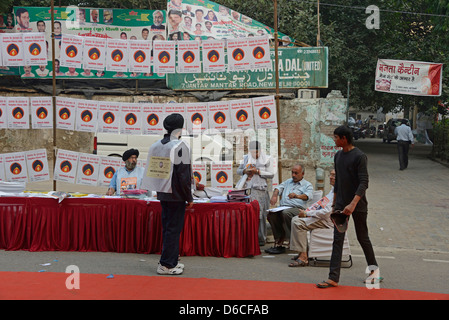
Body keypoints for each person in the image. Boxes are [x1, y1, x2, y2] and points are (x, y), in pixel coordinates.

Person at [316, 125, 379, 289]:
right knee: (338, 239)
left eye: (336, 137)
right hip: (341, 205)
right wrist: (335, 203)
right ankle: (333, 278)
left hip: (357, 205)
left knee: (362, 237)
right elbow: (337, 182)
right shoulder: (337, 156)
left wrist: (353, 203)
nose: (334, 140)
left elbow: (364, 183)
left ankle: (374, 272)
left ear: (344, 138)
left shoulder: (359, 156)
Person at [142, 113, 193, 275]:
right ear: (181, 128)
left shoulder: (156, 145)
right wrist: (189, 197)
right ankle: (166, 265)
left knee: (168, 228)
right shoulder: (180, 146)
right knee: (173, 229)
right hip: (176, 195)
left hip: (163, 193)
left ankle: (170, 260)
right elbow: (184, 176)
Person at [289, 170, 335, 267]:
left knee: (298, 223)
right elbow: (320, 204)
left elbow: (326, 212)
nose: (330, 177)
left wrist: (307, 213)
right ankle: (302, 252)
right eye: (330, 175)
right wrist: (308, 211)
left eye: (334, 175)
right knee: (296, 218)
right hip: (322, 217)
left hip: (327, 220)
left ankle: (303, 257)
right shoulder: (333, 189)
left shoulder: (339, 192)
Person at [266, 164, 313, 254]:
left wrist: (297, 196)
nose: (293, 175)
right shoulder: (288, 182)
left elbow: (308, 196)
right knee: (272, 214)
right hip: (284, 207)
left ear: (302, 173)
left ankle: (289, 239)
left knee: (286, 213)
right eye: (292, 173)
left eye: (296, 173)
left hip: (298, 208)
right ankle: (279, 240)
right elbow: (278, 188)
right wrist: (275, 195)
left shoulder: (307, 185)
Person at [236, 141, 275, 246]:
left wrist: (258, 171)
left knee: (260, 215)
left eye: (257, 152)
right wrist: (245, 171)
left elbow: (271, 174)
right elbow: (238, 171)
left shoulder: (267, 159)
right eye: (253, 152)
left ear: (260, 150)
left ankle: (261, 239)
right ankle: (248, 238)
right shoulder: (245, 158)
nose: (255, 155)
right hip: (247, 189)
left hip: (260, 190)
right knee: (248, 214)